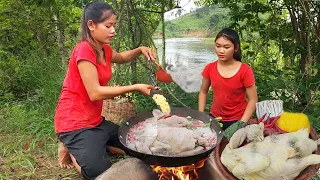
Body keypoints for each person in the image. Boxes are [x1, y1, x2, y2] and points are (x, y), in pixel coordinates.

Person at [54, 1, 156, 179]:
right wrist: (135, 87)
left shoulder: (104, 49)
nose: (113, 30)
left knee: (135, 143)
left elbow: (123, 57)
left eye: (114, 25)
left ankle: (99, 144)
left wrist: (140, 49)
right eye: (108, 25)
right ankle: (71, 147)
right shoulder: (84, 49)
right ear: (91, 25)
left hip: (96, 121)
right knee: (99, 171)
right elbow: (95, 93)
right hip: (74, 123)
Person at [198, 28, 258, 140]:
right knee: (207, 144)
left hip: (238, 119)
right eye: (218, 46)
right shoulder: (210, 68)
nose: (221, 51)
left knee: (231, 149)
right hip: (216, 117)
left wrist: (242, 123)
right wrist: (201, 115)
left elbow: (253, 99)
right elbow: (203, 91)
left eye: (226, 47)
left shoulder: (245, 70)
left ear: (235, 48)